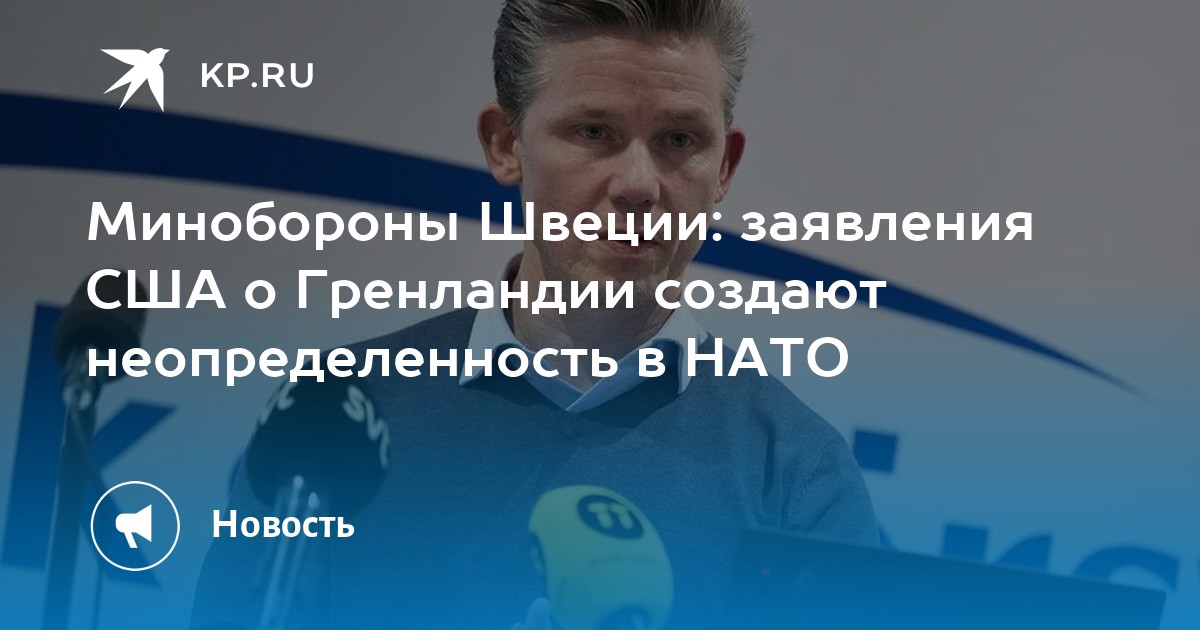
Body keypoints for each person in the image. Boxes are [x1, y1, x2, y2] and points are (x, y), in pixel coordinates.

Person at [192, 1, 877, 628]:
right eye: (595, 131)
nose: (638, 185)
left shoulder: (795, 472)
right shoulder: (333, 419)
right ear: (505, 144)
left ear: (723, 168)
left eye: (678, 140)